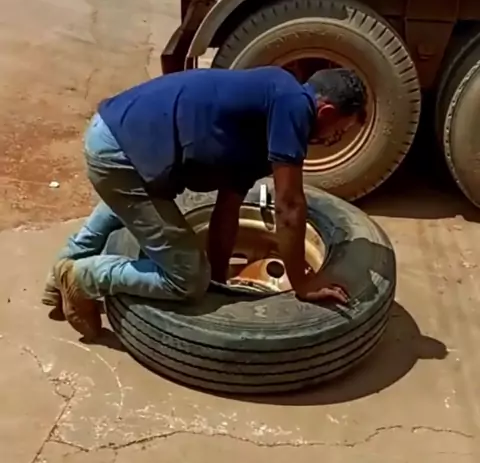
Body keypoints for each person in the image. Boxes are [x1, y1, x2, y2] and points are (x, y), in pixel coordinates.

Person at [43, 66, 367, 340]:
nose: (332, 141)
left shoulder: (267, 110)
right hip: (121, 159)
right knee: (188, 280)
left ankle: (57, 278)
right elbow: (289, 206)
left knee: (133, 203)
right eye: (338, 133)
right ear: (325, 112)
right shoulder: (295, 107)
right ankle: (84, 277)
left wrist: (220, 282)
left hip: (116, 132)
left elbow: (227, 209)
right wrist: (302, 283)